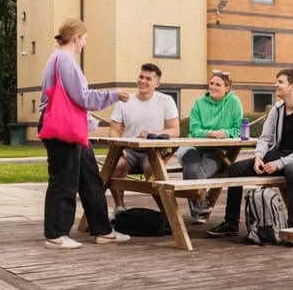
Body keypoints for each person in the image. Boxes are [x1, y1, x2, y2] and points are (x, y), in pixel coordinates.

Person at [39, 18, 131, 249]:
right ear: (77, 37)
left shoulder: (58, 59)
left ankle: (103, 230)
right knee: (64, 180)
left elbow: (72, 99)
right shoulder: (64, 59)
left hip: (70, 127)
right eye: (85, 39)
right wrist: (114, 94)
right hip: (62, 128)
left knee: (90, 178)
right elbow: (83, 97)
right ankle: (55, 234)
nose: (84, 44)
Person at [207, 68, 293, 237]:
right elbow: (265, 138)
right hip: (278, 156)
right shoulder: (277, 109)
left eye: (280, 82)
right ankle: (231, 223)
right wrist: (258, 157)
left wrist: (279, 164)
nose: (276, 85)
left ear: (292, 86)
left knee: (292, 171)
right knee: (234, 169)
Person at [109, 63, 179, 213]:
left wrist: (152, 134)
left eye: (148, 78)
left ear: (157, 83)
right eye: (141, 77)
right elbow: (114, 130)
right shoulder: (125, 101)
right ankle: (120, 208)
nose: (143, 81)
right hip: (130, 151)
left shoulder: (166, 101)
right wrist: (118, 146)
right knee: (114, 168)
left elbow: (175, 131)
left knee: (152, 171)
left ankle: (167, 213)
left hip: (154, 151)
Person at [179, 70, 243, 223]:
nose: (213, 87)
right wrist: (210, 133)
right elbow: (194, 130)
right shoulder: (199, 103)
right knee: (191, 163)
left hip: (217, 152)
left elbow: (237, 130)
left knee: (195, 170)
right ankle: (201, 204)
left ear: (227, 88)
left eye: (218, 84)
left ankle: (199, 208)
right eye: (211, 83)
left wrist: (224, 133)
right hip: (193, 147)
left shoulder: (234, 102)